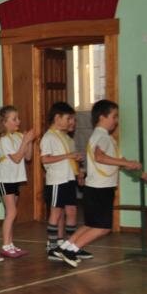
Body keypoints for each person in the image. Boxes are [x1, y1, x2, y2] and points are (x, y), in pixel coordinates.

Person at [55, 100, 147, 267]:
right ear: (102, 117)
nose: (116, 120)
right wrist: (126, 163)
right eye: (114, 116)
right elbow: (100, 157)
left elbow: (118, 162)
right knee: (103, 228)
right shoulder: (102, 136)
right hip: (100, 189)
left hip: (95, 188)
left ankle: (65, 247)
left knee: (91, 225)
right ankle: (71, 250)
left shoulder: (105, 137)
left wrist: (143, 175)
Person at [40, 102, 85, 259]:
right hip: (56, 181)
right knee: (56, 212)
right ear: (57, 118)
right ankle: (52, 247)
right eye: (68, 118)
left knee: (72, 211)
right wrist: (68, 156)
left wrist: (78, 171)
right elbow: (45, 159)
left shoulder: (67, 138)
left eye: (73, 119)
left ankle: (70, 246)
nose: (71, 122)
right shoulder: (49, 137)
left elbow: (70, 160)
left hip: (69, 179)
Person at [0, 105, 37, 257]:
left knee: (10, 213)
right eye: (14, 119)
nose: (18, 121)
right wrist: (25, 141)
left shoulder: (18, 136)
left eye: (18, 118)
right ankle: (6, 245)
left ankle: (10, 243)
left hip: (15, 179)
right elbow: (17, 158)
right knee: (12, 212)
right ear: (4, 123)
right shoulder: (3, 139)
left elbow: (28, 157)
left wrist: (29, 142)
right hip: (5, 180)